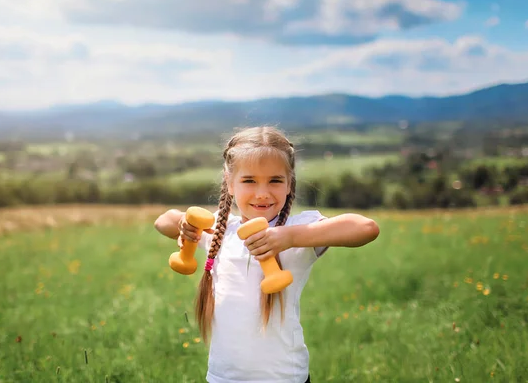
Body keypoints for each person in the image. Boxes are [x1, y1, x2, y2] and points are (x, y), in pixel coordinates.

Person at [154, 126, 380, 383]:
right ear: (229, 183)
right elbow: (163, 221)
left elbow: (366, 228)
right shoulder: (220, 229)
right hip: (223, 377)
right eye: (249, 181)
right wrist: (185, 222)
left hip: (285, 377)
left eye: (275, 180)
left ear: (289, 184)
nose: (262, 193)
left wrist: (290, 237)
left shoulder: (296, 230)